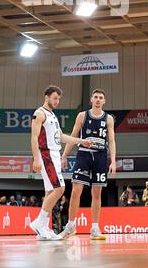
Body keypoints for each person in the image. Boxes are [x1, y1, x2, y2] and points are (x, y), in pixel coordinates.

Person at [26, 85, 97, 240]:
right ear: (46, 97)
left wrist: (81, 141)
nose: (57, 101)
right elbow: (33, 137)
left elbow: (62, 137)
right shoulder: (40, 113)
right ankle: (38, 222)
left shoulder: (52, 116)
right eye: (55, 98)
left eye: (59, 99)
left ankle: (43, 229)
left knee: (50, 192)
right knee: (60, 189)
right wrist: (36, 158)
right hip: (46, 154)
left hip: (54, 154)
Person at [57, 89, 116, 240]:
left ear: (104, 101)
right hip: (83, 154)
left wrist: (113, 160)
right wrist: (64, 156)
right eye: (95, 97)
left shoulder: (108, 118)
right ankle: (70, 226)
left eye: (100, 97)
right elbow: (73, 136)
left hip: (101, 156)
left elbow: (112, 141)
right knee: (76, 191)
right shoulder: (82, 115)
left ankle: (95, 229)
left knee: (96, 194)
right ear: (91, 99)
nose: (98, 99)